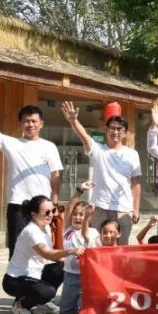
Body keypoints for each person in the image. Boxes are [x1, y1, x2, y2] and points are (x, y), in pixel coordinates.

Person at [0, 90, 62, 258]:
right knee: (17, 249)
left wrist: (54, 203)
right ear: (20, 124)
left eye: (34, 121)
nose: (30, 124)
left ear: (41, 124)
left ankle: (37, 274)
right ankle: (16, 275)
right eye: (26, 121)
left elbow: (55, 176)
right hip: (18, 205)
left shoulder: (50, 147)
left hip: (43, 206)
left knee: (43, 249)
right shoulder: (12, 144)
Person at [60, 101, 141, 244]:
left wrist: (136, 209)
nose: (115, 132)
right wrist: (73, 121)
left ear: (125, 133)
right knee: (97, 246)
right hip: (99, 208)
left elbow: (136, 183)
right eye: (112, 128)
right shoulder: (98, 150)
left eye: (119, 129)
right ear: (106, 129)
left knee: (121, 248)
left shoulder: (132, 154)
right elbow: (84, 135)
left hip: (123, 209)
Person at [3, 196, 75, 314]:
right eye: (46, 212)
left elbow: (56, 256)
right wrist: (70, 252)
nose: (51, 215)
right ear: (34, 214)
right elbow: (47, 254)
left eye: (53, 211)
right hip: (15, 280)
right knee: (48, 292)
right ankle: (20, 306)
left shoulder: (46, 226)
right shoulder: (31, 231)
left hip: (35, 275)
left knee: (63, 268)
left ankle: (41, 303)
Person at [57, 193, 99, 314]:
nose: (77, 217)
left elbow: (86, 235)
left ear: (89, 216)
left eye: (82, 214)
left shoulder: (93, 232)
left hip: (87, 275)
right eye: (75, 214)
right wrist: (79, 191)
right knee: (65, 311)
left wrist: (87, 216)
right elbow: (69, 206)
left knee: (84, 310)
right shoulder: (67, 229)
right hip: (70, 274)